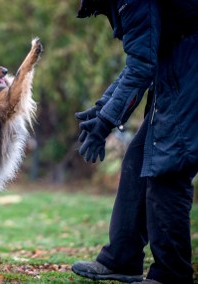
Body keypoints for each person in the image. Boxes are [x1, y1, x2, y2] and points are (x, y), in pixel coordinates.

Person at [71, 0, 198, 283]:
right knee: (139, 156)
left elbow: (142, 65)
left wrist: (106, 122)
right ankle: (122, 257)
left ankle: (171, 274)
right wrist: (103, 108)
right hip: (176, 61)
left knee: (168, 168)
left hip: (189, 65)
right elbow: (142, 57)